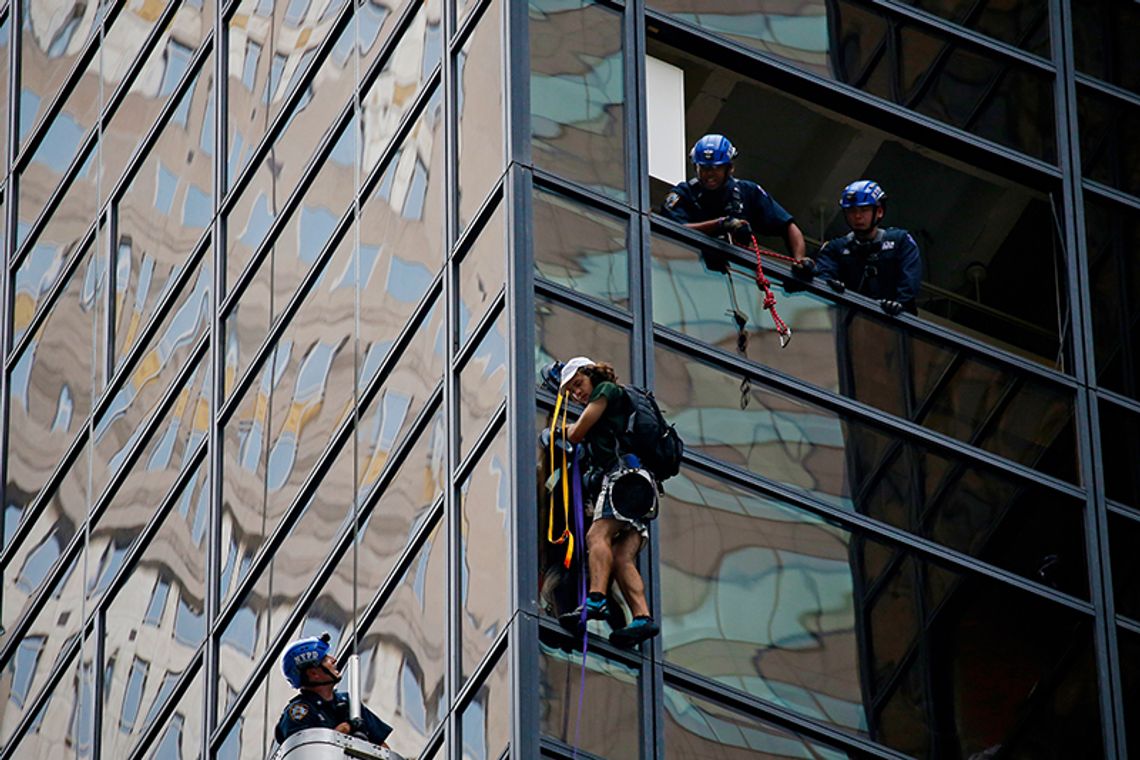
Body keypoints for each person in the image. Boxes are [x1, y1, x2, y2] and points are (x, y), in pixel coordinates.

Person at [554, 357, 661, 649]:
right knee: (622, 557)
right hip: (641, 488)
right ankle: (642, 617)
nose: (579, 394)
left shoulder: (607, 391)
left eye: (579, 385)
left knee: (595, 535)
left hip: (623, 478)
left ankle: (597, 599)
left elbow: (576, 433)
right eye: (573, 393)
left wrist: (555, 432)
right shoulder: (614, 405)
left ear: (591, 374)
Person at [661, 134, 808, 266]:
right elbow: (673, 229)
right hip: (688, 268)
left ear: (730, 168)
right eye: (704, 168)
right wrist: (720, 224)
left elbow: (788, 226)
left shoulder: (748, 192)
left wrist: (799, 259)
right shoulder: (684, 194)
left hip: (735, 274)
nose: (709, 175)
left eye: (716, 168)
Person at [811, 180, 923, 316]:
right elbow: (823, 276)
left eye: (864, 210)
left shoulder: (901, 241)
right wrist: (829, 285)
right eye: (851, 211)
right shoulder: (835, 248)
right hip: (848, 324)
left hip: (896, 326)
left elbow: (910, 282)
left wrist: (899, 306)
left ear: (879, 211)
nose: (857, 216)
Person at [276, 633, 394, 747]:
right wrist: (343, 729)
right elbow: (304, 753)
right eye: (326, 659)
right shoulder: (299, 713)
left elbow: (381, 748)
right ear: (313, 673)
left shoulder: (351, 704)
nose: (333, 660)